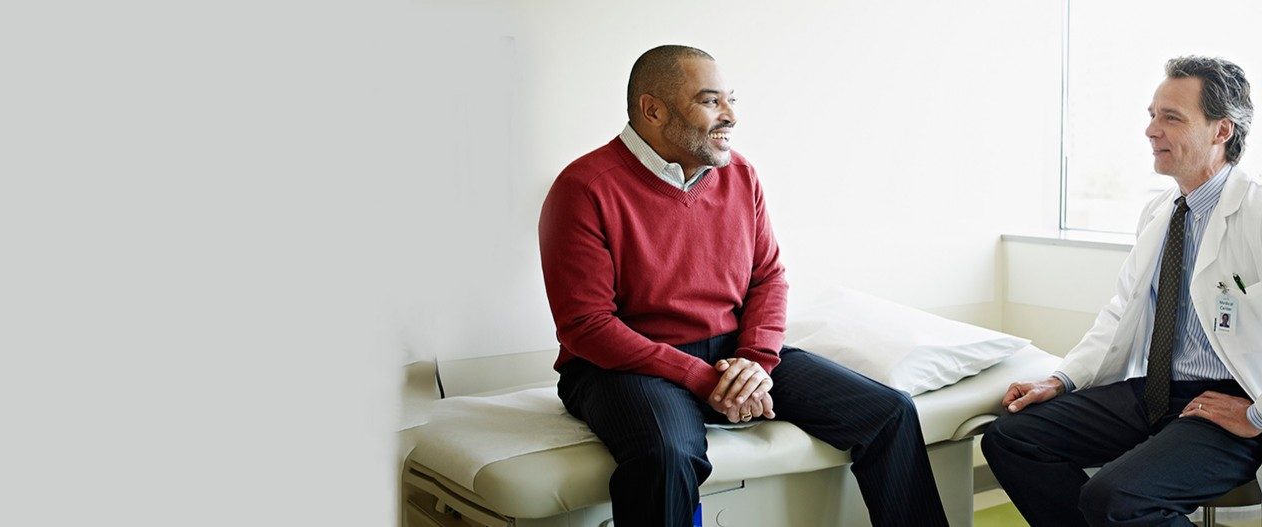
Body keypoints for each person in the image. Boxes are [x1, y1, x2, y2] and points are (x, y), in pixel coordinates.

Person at [537, 45, 950, 527]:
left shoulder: (741, 175)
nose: (729, 116)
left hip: (733, 351)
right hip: (625, 366)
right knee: (667, 456)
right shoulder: (584, 186)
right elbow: (586, 326)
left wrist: (755, 361)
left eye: (731, 100)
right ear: (653, 110)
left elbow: (769, 278)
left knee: (891, 414)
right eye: (710, 101)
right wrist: (701, 378)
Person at [982, 56, 1262, 527]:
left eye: (1171, 117)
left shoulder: (1256, 213)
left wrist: (1257, 416)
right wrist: (1061, 380)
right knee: (1010, 438)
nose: (1151, 130)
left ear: (1222, 131)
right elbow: (1120, 313)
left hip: (1230, 404)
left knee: (1114, 497)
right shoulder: (1160, 212)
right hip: (1154, 393)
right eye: (1151, 115)